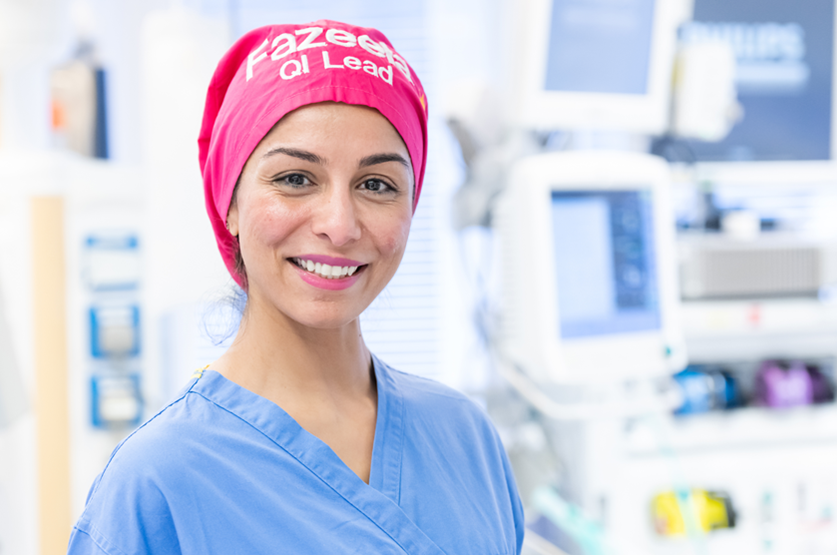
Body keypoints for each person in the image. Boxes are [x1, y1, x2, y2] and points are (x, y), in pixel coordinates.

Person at [67, 21, 524, 555]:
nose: (339, 224)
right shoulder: (157, 483)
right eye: (295, 179)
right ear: (229, 203)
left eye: (376, 185)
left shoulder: (465, 437)